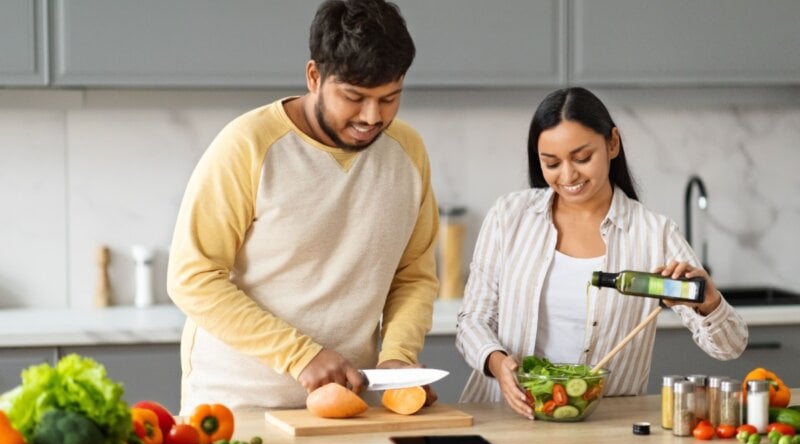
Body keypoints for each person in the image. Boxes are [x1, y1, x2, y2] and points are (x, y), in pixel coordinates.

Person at [167, 0, 439, 413]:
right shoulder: (248, 145)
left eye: (390, 98)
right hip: (236, 409)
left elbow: (413, 275)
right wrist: (300, 355)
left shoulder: (408, 152)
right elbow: (193, 278)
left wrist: (398, 356)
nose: (371, 116)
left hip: (346, 408)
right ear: (314, 76)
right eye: (354, 97)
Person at [455, 87, 748, 419]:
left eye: (582, 158)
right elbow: (473, 320)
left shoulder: (654, 234)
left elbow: (731, 346)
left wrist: (709, 303)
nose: (567, 176)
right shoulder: (509, 216)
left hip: (605, 425)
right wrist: (496, 361)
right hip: (506, 415)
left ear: (612, 144)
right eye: (551, 163)